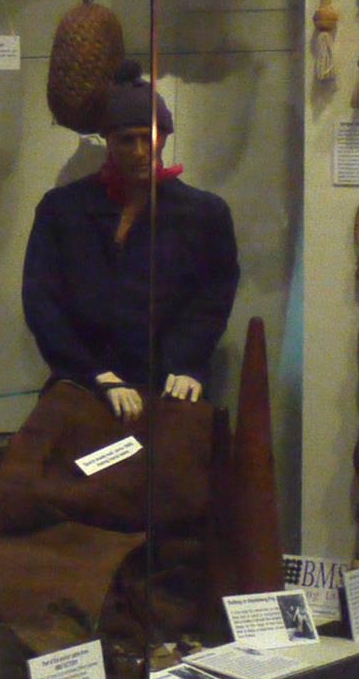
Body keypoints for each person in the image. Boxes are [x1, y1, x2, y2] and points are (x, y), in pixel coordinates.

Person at [20, 67, 238, 420]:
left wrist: (185, 364)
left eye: (148, 136)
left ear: (164, 136)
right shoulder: (62, 209)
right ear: (108, 140)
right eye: (126, 140)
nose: (140, 151)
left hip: (166, 387)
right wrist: (92, 372)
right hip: (83, 385)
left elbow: (212, 299)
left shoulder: (204, 214)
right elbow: (42, 301)